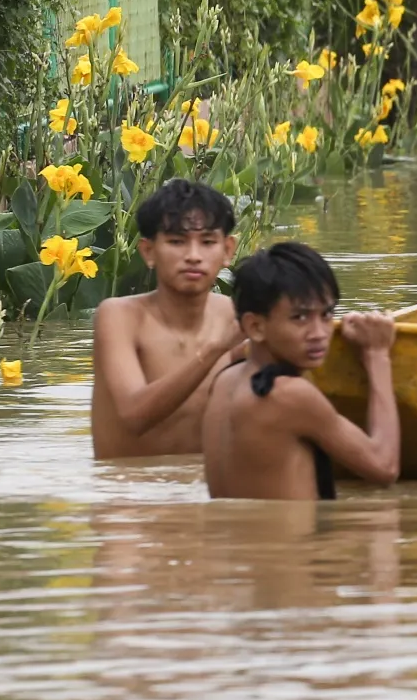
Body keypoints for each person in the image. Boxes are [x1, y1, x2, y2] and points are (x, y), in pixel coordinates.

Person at [202, 243, 400, 500]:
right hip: (295, 542)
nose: (319, 334)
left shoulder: (223, 381)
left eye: (327, 314)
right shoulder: (289, 395)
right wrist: (377, 355)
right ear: (255, 326)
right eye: (300, 318)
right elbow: (385, 467)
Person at [91, 179, 245, 459]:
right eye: (177, 242)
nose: (193, 256)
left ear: (227, 250)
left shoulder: (235, 316)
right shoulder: (118, 317)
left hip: (205, 491)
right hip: (129, 493)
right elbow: (134, 414)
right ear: (148, 251)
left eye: (208, 242)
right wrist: (215, 351)